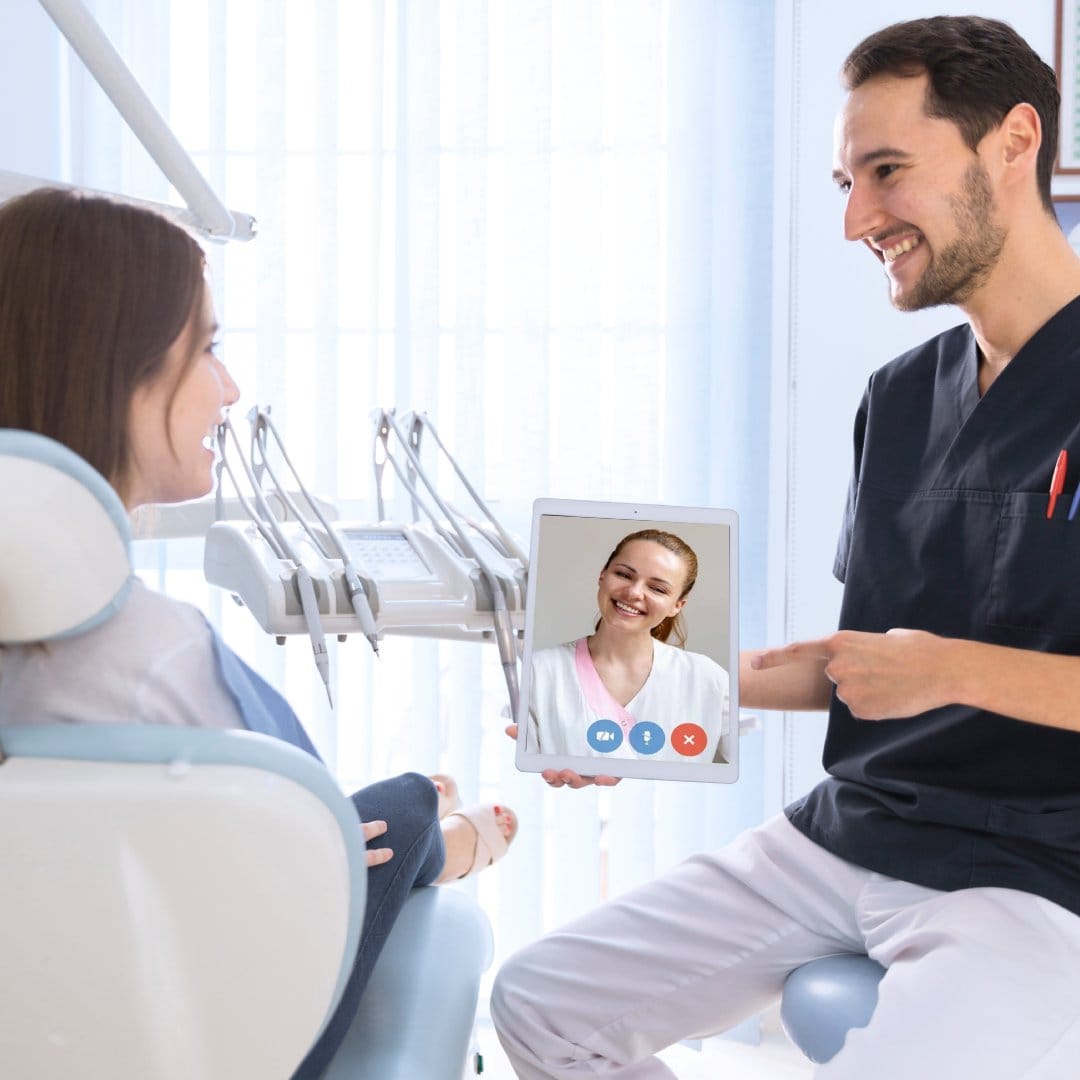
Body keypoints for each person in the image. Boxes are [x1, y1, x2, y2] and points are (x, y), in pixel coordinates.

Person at [492, 16, 1080, 1078]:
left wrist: (946, 670)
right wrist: (643, 704)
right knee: (540, 1003)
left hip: (1037, 872)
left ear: (1014, 141)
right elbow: (865, 667)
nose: (858, 216)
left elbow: (919, 668)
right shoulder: (901, 399)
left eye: (887, 171)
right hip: (844, 832)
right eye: (846, 181)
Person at [0, 187, 518, 1079]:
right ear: (115, 369)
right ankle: (458, 838)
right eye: (207, 348)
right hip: (210, 1034)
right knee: (401, 806)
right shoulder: (161, 652)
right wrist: (428, 828)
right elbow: (325, 853)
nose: (230, 389)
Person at [527, 529, 729, 762]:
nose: (633, 592)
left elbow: (752, 763)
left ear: (677, 605)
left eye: (657, 589)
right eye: (624, 574)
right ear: (602, 575)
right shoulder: (539, 671)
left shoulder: (708, 678)